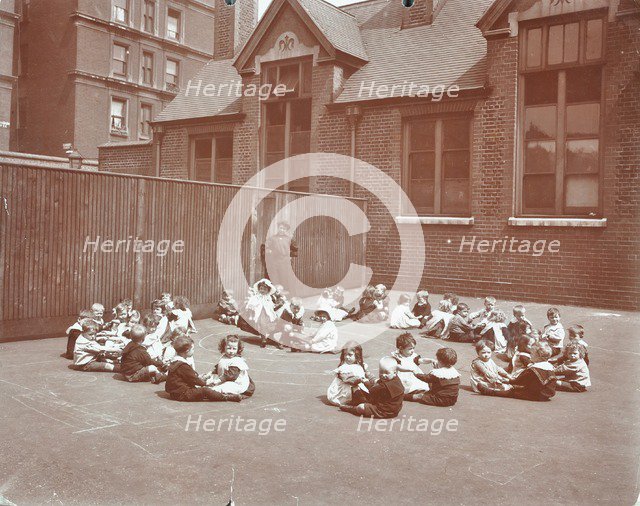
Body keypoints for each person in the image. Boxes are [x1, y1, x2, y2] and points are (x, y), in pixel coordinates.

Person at [165, 336, 242, 402]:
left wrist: (202, 378)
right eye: (193, 349)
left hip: (177, 392)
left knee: (201, 389)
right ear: (187, 351)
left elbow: (189, 377)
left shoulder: (176, 361)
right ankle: (226, 397)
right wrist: (206, 383)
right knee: (205, 390)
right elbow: (194, 379)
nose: (194, 351)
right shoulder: (183, 365)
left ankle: (212, 394)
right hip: (183, 393)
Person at [478, 342, 558, 402]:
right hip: (547, 393)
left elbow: (521, 381)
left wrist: (509, 381)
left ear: (538, 356)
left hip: (537, 394)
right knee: (519, 387)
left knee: (512, 392)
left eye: (532, 354)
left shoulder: (534, 369)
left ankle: (491, 392)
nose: (530, 356)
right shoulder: (549, 367)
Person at [339, 357, 405, 419]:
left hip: (383, 411)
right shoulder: (395, 379)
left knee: (361, 407)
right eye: (381, 372)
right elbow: (376, 383)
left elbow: (371, 390)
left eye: (386, 373)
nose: (383, 375)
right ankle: (358, 398)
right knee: (364, 395)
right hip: (393, 410)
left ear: (394, 373)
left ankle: (352, 409)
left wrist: (366, 382)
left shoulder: (384, 386)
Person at [326, 342, 374, 406]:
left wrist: (373, 380)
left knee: (369, 387)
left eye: (350, 355)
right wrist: (361, 380)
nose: (347, 357)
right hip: (343, 392)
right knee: (355, 387)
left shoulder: (360, 365)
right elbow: (347, 379)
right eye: (345, 354)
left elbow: (367, 374)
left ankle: (366, 398)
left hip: (355, 387)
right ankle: (361, 400)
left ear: (357, 355)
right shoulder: (344, 368)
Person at [237, 278, 279, 348]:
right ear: (259, 289)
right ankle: (263, 339)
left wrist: (273, 310)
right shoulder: (256, 297)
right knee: (262, 324)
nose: (262, 290)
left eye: (265, 289)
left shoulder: (268, 297)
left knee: (271, 324)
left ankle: (269, 337)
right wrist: (251, 314)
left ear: (268, 290)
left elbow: (270, 306)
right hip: (258, 313)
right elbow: (251, 305)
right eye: (261, 288)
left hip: (267, 314)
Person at [264, 221, 298, 293]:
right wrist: (269, 251)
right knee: (275, 278)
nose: (282, 230)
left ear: (286, 230)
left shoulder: (289, 239)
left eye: (284, 229)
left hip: (285, 262)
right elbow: (267, 247)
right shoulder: (273, 238)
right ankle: (275, 295)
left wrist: (290, 255)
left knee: (285, 278)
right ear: (278, 228)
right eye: (281, 228)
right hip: (275, 261)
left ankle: (286, 297)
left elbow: (295, 249)